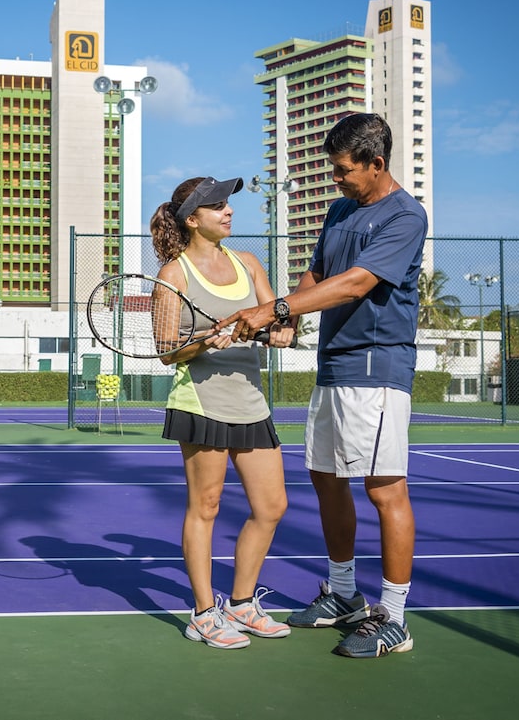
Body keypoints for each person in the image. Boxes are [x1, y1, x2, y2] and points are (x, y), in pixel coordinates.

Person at [217, 113, 427, 658]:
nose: (336, 179)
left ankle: (395, 618)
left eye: (343, 171)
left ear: (376, 165)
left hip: (377, 368)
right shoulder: (340, 210)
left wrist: (273, 308)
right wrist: (289, 318)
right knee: (327, 477)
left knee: (384, 489)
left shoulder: (405, 216)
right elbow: (320, 273)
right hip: (334, 365)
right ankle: (342, 595)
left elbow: (357, 283)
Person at [150, 175, 294, 649]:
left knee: (271, 507)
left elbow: (279, 321)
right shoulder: (174, 274)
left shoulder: (248, 262)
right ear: (193, 219)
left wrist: (273, 330)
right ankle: (203, 613)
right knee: (205, 508)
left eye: (228, 204)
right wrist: (205, 342)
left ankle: (242, 603)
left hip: (251, 403)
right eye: (217, 206)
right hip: (201, 404)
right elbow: (167, 351)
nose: (229, 211)